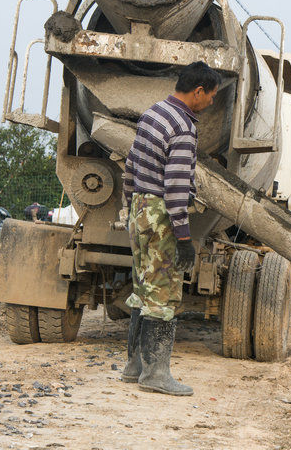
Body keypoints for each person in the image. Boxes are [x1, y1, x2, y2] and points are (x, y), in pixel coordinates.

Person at [120, 61, 221, 396]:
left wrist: (130, 206)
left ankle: (134, 367)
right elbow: (177, 188)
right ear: (198, 91)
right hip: (162, 215)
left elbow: (130, 164)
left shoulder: (152, 113)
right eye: (211, 97)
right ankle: (156, 374)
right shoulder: (183, 128)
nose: (211, 104)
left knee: (143, 287)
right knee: (163, 293)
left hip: (139, 209)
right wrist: (183, 238)